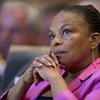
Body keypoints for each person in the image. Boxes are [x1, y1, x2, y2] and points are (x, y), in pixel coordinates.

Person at [1, 4, 100, 100]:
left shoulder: (52, 74)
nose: (55, 42)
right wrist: (25, 80)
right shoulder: (47, 71)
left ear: (94, 40)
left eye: (66, 32)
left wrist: (54, 79)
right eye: (52, 35)